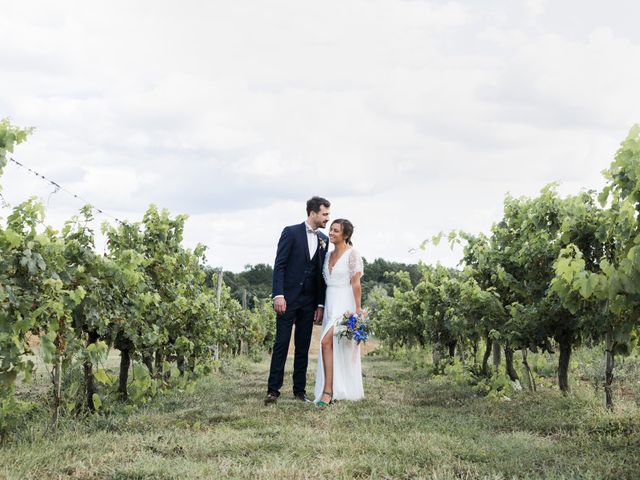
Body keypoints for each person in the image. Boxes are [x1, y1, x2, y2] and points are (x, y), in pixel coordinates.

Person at [265, 196, 330, 404]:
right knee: (282, 343)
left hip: (309, 302)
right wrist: (278, 295)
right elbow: (280, 265)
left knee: (303, 346)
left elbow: (321, 274)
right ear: (312, 213)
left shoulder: (324, 240)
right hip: (288, 299)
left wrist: (320, 304)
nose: (327, 218)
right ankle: (273, 390)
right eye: (325, 214)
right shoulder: (290, 232)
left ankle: (299, 390)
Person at [314, 218, 364, 406]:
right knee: (332, 345)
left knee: (326, 341)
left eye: (336, 231)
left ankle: (328, 391)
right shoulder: (328, 255)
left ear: (346, 235)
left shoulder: (353, 255)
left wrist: (358, 310)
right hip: (330, 302)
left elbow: (356, 283)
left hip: (345, 304)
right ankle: (336, 387)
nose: (331, 233)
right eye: (331, 229)